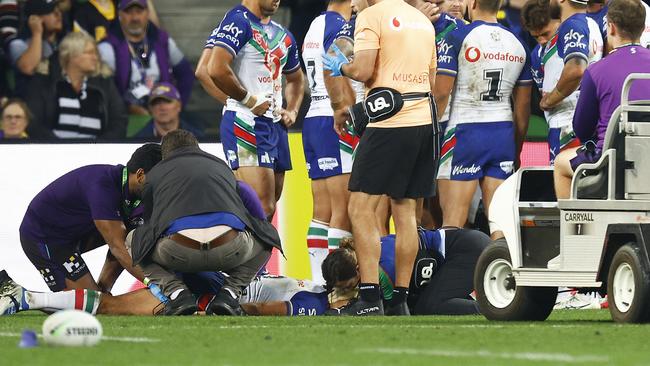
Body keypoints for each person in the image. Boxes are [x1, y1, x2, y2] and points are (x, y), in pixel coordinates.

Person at [323, 0, 438, 316]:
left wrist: (338, 64)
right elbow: (432, 79)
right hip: (424, 122)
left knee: (359, 207)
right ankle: (400, 300)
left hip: (389, 123)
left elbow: (361, 70)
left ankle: (371, 297)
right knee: (405, 211)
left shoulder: (372, 16)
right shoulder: (421, 20)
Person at [128, 130, 281, 316]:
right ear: (196, 147)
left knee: (130, 240)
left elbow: (151, 228)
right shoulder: (222, 166)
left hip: (178, 251)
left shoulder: (155, 175)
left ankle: (177, 294)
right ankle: (230, 294)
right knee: (268, 236)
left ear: (165, 154)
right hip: (230, 249)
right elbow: (246, 208)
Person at [435, 0, 532, 229]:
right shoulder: (518, 43)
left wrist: (431, 140)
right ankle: (502, 265)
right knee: (499, 223)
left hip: (465, 132)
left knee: (453, 222)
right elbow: (523, 107)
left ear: (474, 2)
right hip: (502, 132)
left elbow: (440, 94)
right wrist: (516, 149)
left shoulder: (457, 35)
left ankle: (453, 265)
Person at [19, 143, 161, 294]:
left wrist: (104, 290)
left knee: (101, 298)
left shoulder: (138, 196)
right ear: (140, 175)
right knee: (90, 305)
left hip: (73, 232)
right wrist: (155, 284)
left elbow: (125, 246)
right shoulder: (102, 186)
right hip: (44, 237)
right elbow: (118, 248)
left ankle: (103, 291)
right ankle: (19, 297)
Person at [207, 0, 304, 218]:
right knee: (260, 205)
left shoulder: (283, 35)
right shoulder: (238, 21)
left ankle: (253, 252)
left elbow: (296, 80)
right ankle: (228, 248)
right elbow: (214, 68)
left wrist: (293, 110)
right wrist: (249, 100)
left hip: (275, 125)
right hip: (245, 121)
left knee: (270, 206)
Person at [554, 0, 650, 199]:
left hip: (611, 164)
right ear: (642, 28)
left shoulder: (596, 71)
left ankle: (572, 227)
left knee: (560, 162)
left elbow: (581, 128)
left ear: (611, 26)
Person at [301, 0, 361, 283]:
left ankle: (317, 282)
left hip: (313, 117)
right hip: (333, 119)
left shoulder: (315, 24)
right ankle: (336, 285)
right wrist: (344, 106)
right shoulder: (340, 26)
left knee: (321, 211)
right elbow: (332, 64)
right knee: (344, 210)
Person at [0, 271, 330, 316]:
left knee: (112, 306)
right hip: (213, 289)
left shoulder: (311, 288)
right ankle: (27, 298)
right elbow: (258, 309)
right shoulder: (315, 299)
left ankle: (29, 298)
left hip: (213, 282)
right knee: (112, 307)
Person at [323, 228, 491, 315]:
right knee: (425, 301)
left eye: (350, 285)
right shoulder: (368, 250)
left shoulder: (385, 267)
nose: (351, 290)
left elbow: (392, 308)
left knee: (428, 307)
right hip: (468, 245)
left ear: (359, 270)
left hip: (467, 251)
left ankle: (491, 308)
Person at [24, 31, 126, 139]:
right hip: (54, 152)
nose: (95, 57)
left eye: (96, 53)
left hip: (96, 153)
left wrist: (99, 146)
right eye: (89, 52)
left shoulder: (105, 83)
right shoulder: (44, 81)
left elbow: (119, 121)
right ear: (71, 55)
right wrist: (57, 146)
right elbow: (33, 121)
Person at [98, 0, 194, 115]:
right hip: (125, 117)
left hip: (161, 111)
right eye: (129, 13)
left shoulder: (162, 40)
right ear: (119, 14)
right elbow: (104, 89)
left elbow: (186, 73)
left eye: (139, 11)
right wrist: (126, 108)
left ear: (148, 13)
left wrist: (178, 106)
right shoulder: (107, 48)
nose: (135, 18)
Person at [538, 0, 603, 164]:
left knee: (564, 185)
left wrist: (550, 99)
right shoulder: (592, 24)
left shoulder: (572, 25)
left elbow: (575, 69)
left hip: (566, 123)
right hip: (583, 118)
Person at [7, 0, 64, 94]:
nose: (58, 14)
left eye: (57, 9)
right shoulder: (18, 43)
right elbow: (28, 68)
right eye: (50, 11)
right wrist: (37, 33)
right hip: (29, 99)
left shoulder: (63, 41)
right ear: (35, 19)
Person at [133, 82, 204, 140]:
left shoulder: (198, 138)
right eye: (156, 103)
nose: (162, 108)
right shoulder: (137, 140)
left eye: (167, 101)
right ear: (150, 108)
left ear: (179, 106)